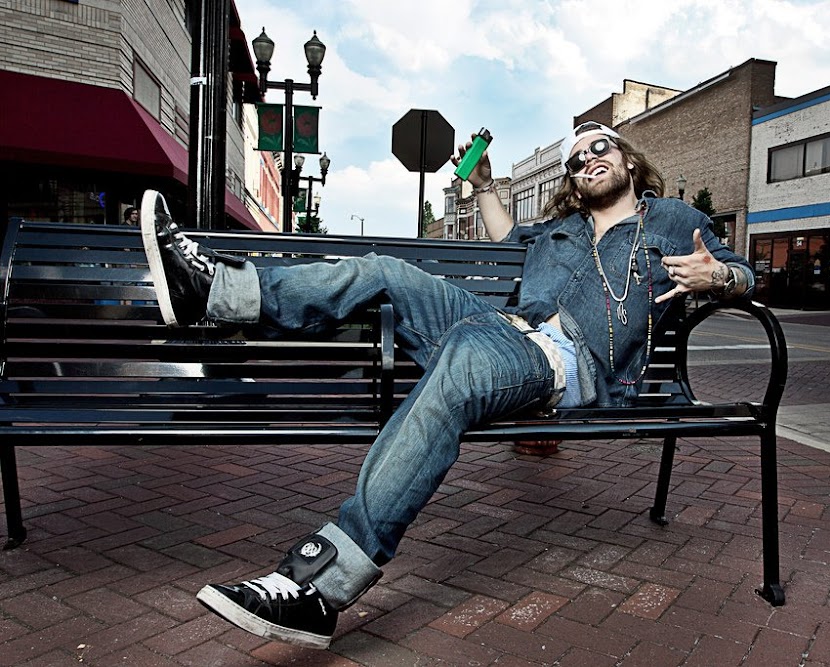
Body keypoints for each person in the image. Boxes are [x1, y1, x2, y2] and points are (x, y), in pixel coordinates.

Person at [138, 121, 753, 650]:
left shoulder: (673, 221)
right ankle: (214, 293)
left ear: (627, 160)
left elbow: (743, 272)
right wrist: (483, 184)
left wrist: (719, 276)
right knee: (386, 272)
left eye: (600, 148)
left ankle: (317, 589)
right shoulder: (560, 229)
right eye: (576, 159)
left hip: (569, 365)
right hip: (505, 333)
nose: (588, 159)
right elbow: (506, 235)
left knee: (461, 359)